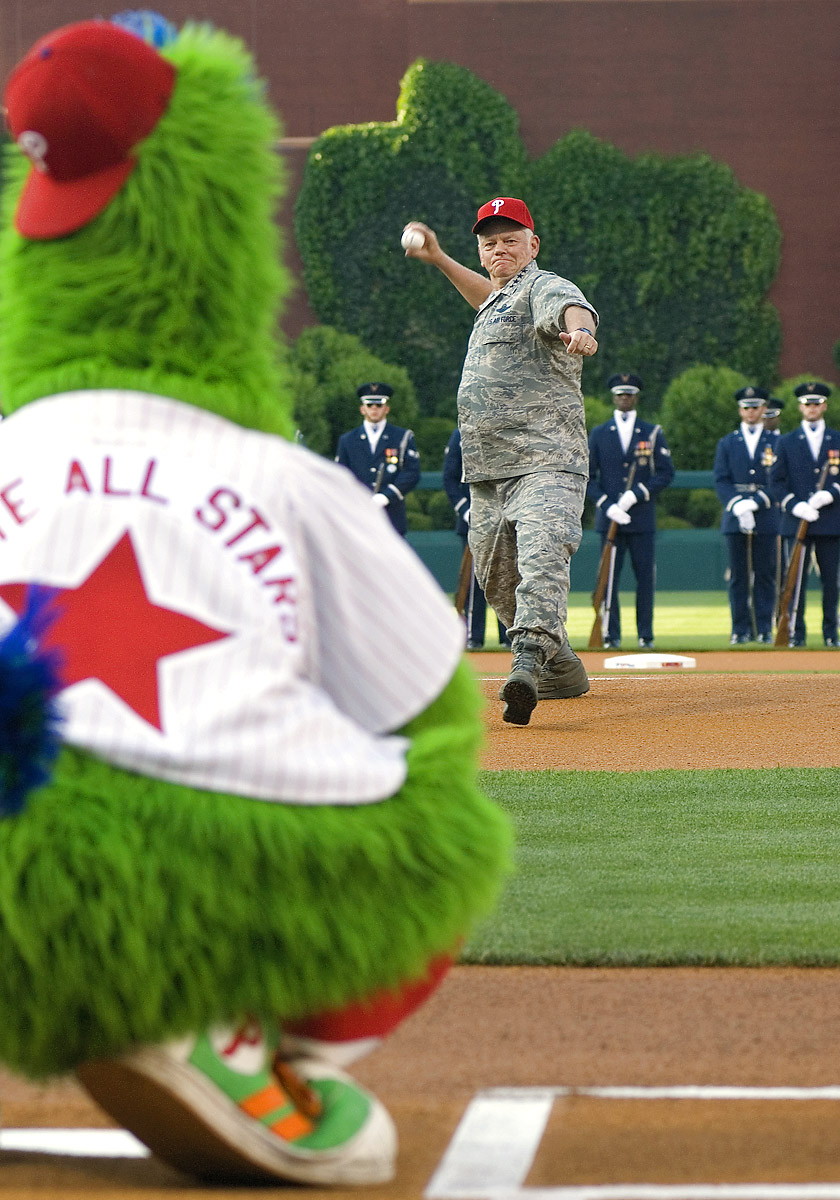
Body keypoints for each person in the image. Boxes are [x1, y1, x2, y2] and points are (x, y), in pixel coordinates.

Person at [0, 18, 512, 1189]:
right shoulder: (284, 478)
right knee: (444, 808)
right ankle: (234, 1032)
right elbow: (426, 706)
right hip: (205, 874)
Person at [402, 197, 596, 725]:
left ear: (533, 245)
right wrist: (440, 258)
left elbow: (568, 307)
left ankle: (528, 662)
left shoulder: (542, 287)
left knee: (541, 558)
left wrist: (582, 330)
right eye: (490, 243)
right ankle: (561, 666)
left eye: (511, 239)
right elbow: (482, 292)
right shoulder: (499, 297)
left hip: (545, 460)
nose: (499, 248)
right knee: (497, 577)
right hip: (488, 471)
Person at [587, 373, 674, 649]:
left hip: (641, 519)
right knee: (609, 579)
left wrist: (638, 494)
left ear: (636, 397)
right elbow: (588, 477)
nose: (625, 398)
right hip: (610, 520)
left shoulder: (651, 432)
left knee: (645, 580)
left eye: (630, 394)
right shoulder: (599, 434)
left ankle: (645, 635)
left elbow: (665, 473)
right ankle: (611, 635)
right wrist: (607, 505)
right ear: (613, 396)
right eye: (620, 393)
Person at [771, 381, 840, 647]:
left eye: (816, 403)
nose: (812, 408)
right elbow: (776, 482)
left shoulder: (837, 439)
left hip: (830, 521)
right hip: (797, 521)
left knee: (831, 583)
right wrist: (795, 505)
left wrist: (830, 494)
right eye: (807, 404)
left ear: (824, 406)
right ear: (800, 407)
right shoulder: (786, 442)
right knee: (794, 583)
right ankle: (796, 633)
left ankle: (831, 633)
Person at [713, 386, 780, 644]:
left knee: (765, 574)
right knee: (739, 576)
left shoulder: (775, 442)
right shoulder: (728, 442)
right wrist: (738, 505)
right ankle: (740, 629)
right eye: (746, 408)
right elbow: (721, 479)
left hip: (765, 515)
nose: (751, 412)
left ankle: (764, 628)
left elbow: (780, 480)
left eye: (756, 407)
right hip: (734, 516)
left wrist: (758, 502)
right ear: (740, 410)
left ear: (763, 410)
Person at [442, 427, 509, 649]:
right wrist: (466, 511)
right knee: (473, 581)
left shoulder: (507, 428)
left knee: (506, 578)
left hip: (504, 519)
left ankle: (508, 635)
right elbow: (450, 478)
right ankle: (473, 635)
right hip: (472, 520)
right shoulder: (460, 434)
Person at [335, 383, 421, 537]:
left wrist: (386, 496)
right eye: (369, 405)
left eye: (379, 405)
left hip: (391, 516)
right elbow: (341, 474)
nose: (374, 409)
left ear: (386, 408)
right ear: (362, 409)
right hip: (358, 515)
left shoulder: (402, 437)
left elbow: (411, 473)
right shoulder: (347, 440)